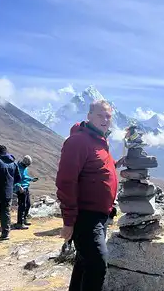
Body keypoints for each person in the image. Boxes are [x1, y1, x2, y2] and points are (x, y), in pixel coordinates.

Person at [56, 99, 125, 291]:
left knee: (84, 262)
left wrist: (118, 163)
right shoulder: (78, 141)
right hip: (86, 215)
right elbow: (65, 181)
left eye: (108, 116)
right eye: (100, 115)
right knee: (97, 264)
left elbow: (102, 167)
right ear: (89, 116)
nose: (105, 119)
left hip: (100, 215)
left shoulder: (100, 141)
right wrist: (68, 221)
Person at [14, 155, 38, 229]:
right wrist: (18, 186)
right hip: (21, 189)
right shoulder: (17, 168)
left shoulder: (24, 168)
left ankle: (24, 219)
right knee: (22, 206)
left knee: (28, 204)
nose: (27, 166)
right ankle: (19, 223)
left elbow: (25, 177)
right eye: (27, 164)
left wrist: (31, 179)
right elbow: (15, 178)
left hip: (25, 187)